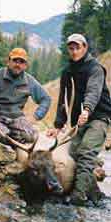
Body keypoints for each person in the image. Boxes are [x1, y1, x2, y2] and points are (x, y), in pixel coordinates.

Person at [47, 33, 111, 206]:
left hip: (98, 117)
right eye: (71, 48)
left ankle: (78, 198)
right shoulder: (67, 72)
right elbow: (64, 100)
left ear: (85, 48)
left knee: (86, 154)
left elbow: (93, 91)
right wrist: (58, 126)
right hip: (79, 122)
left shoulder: (95, 68)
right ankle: (95, 195)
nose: (74, 51)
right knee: (72, 155)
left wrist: (87, 110)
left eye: (78, 47)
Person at [0, 48, 51, 144]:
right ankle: (5, 136)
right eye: (15, 61)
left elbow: (46, 99)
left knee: (32, 136)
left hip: (15, 118)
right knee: (1, 133)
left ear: (25, 65)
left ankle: (11, 137)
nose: (18, 64)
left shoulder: (29, 81)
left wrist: (35, 117)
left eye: (21, 62)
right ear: (8, 62)